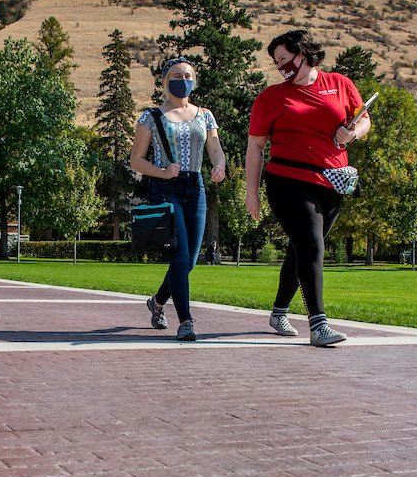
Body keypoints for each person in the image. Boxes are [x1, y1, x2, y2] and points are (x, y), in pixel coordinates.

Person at [246, 30, 371, 346]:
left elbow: (364, 120)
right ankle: (319, 326)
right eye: (277, 63)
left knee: (300, 249)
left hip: (333, 181)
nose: (281, 67)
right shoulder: (270, 98)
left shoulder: (340, 84)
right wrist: (252, 192)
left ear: (304, 53)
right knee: (313, 246)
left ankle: (278, 312)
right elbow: (256, 147)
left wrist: (352, 134)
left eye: (285, 59)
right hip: (288, 180)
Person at [130, 57, 227, 342]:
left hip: (195, 186)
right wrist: (161, 171)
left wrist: (219, 165)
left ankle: (157, 302)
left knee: (191, 261)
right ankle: (186, 321)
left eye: (187, 75)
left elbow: (215, 149)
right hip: (166, 188)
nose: (182, 80)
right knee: (180, 255)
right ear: (164, 81)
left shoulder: (205, 115)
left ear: (194, 80)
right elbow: (136, 160)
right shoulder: (151, 116)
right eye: (176, 75)